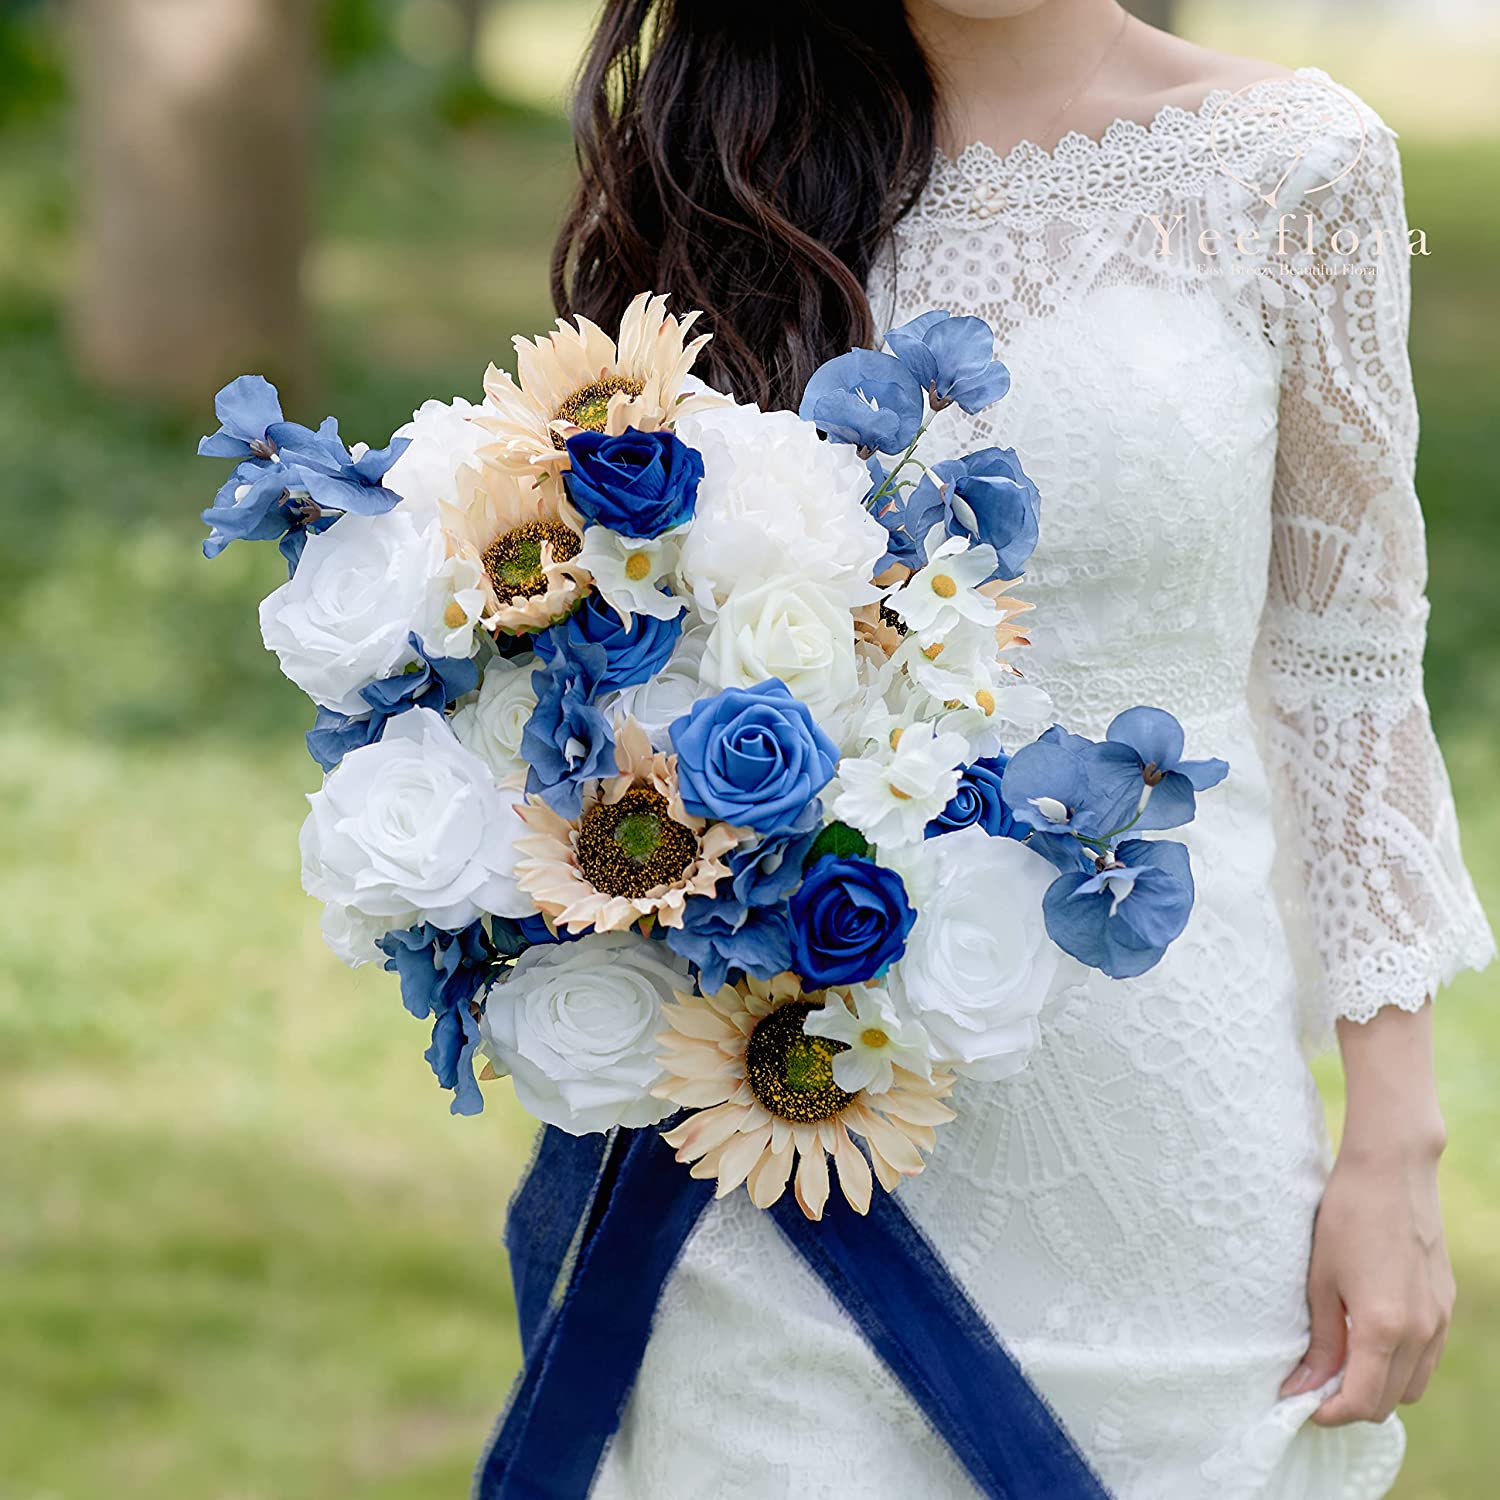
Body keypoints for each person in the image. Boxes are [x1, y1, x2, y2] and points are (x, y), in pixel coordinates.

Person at [543, 2, 1496, 1494]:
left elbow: (1346, 668)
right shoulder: (727, 171)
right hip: (785, 1164)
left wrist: (1396, 1141)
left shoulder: (1298, 164)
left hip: (1174, 1171)